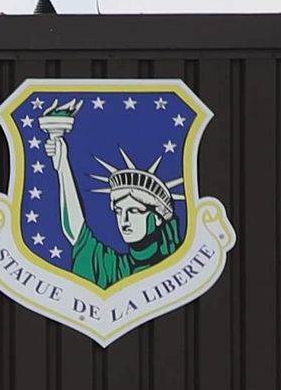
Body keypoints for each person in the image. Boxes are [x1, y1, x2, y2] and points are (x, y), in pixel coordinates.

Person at [34, 98, 184, 287]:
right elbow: (76, 232)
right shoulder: (115, 267)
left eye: (134, 211)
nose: (124, 220)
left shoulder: (177, 265)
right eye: (119, 212)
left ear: (158, 217)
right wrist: (62, 165)